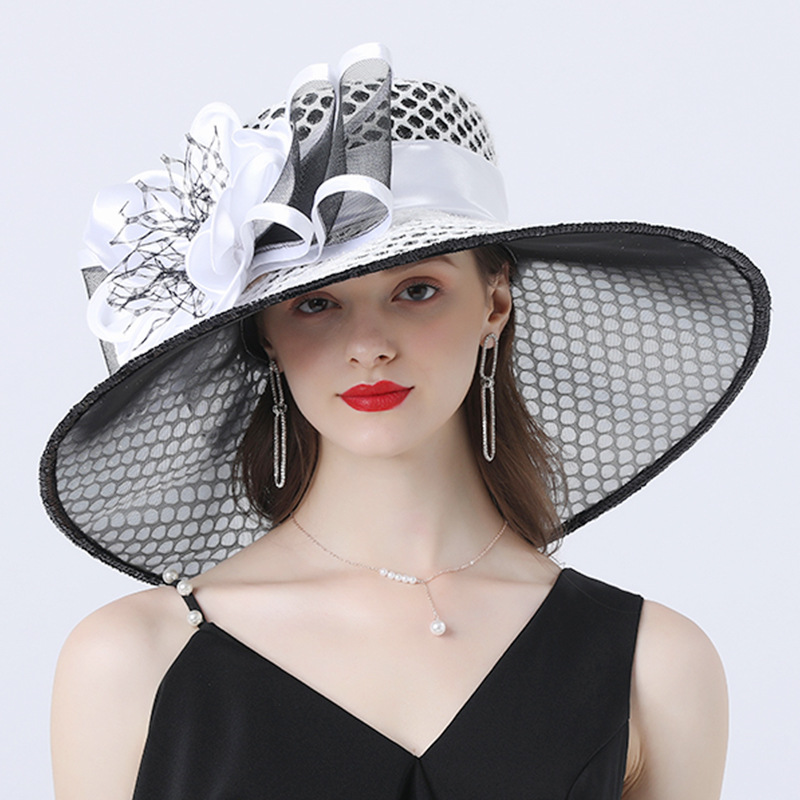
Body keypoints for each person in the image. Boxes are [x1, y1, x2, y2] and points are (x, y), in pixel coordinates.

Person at [43, 45, 769, 799]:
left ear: (495, 303)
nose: (369, 346)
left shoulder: (654, 666)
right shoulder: (132, 662)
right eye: (315, 303)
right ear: (266, 333)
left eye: (417, 290)